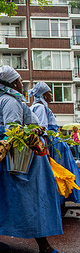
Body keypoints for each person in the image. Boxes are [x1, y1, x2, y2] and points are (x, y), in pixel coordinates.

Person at [0, 66, 74, 253]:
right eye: (20, 80)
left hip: (5, 161)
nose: (23, 84)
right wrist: (36, 131)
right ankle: (45, 248)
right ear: (14, 83)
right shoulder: (12, 102)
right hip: (19, 161)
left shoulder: (3, 100)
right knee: (30, 201)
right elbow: (14, 131)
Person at [29, 82, 80, 218]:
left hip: (53, 144)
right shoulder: (40, 108)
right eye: (50, 92)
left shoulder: (36, 107)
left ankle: (59, 203)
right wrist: (46, 149)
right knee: (59, 174)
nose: (52, 95)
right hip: (53, 145)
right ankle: (58, 204)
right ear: (45, 95)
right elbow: (43, 129)